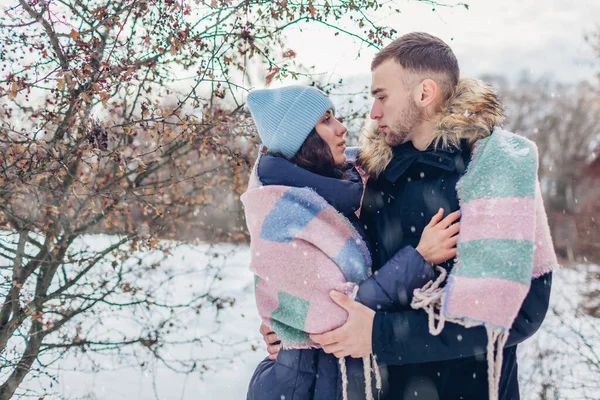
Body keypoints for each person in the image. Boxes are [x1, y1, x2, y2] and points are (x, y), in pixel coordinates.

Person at [265, 33, 558, 400]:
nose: (372, 113)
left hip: (469, 390)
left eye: (381, 96)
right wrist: (294, 330)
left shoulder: (492, 173)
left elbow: (522, 313)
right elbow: (333, 275)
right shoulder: (370, 177)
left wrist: (381, 335)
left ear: (424, 93)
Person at [242, 85, 461, 400]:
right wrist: (420, 258)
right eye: (326, 120)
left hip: (334, 378)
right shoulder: (281, 215)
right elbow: (337, 316)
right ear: (302, 139)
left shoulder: (333, 190)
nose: (342, 127)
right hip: (306, 387)